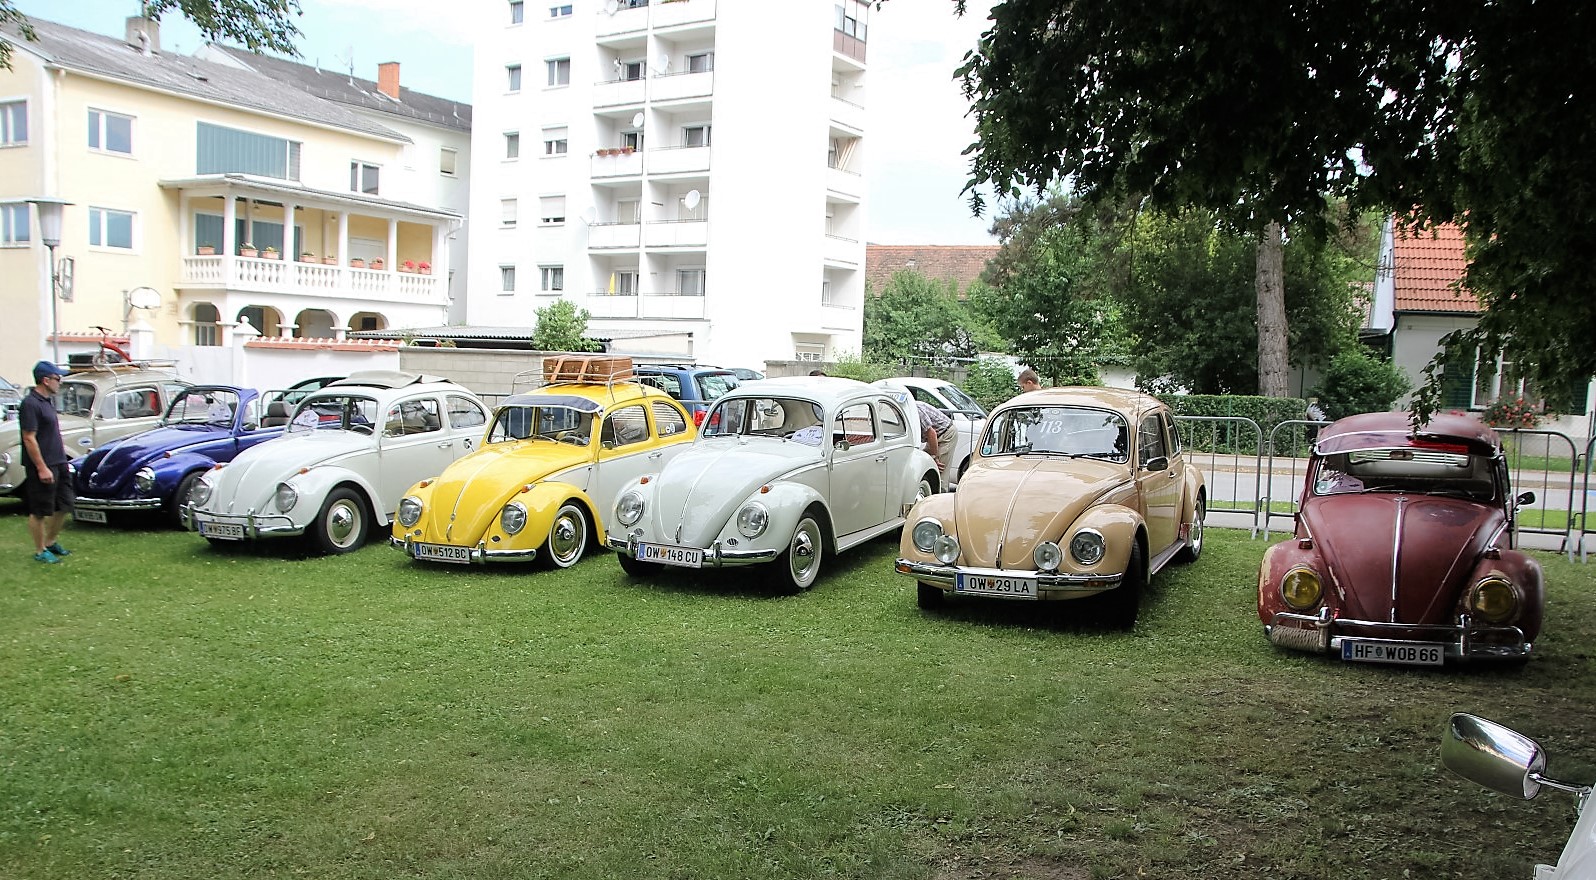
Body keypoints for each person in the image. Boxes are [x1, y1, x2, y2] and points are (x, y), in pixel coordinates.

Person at [20, 360, 74, 563]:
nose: (59, 383)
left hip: (58, 461)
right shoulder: (30, 404)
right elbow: (28, 437)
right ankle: (40, 550)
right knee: (40, 510)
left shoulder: (47, 402)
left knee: (64, 504)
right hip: (42, 465)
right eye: (57, 379)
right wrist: (42, 467)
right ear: (45, 380)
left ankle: (51, 542)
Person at [914, 400, 958, 479]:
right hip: (932, 436)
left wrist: (934, 457)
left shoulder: (916, 410)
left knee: (939, 472)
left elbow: (931, 433)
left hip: (945, 434)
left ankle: (942, 491)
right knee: (924, 464)